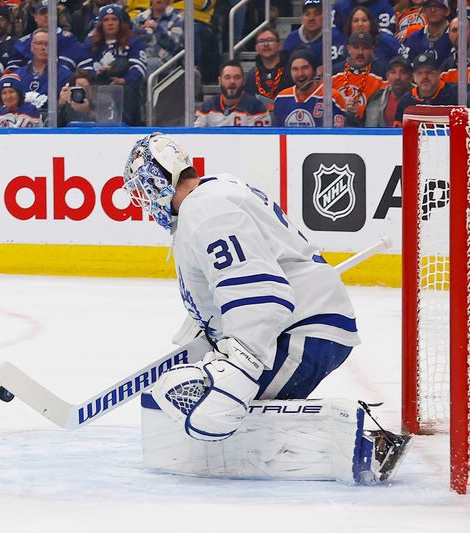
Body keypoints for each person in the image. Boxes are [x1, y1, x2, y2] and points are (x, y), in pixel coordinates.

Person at [121, 133, 408, 482]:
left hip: (302, 328)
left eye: (142, 188)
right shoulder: (212, 195)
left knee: (207, 402)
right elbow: (232, 279)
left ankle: (362, 441)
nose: (144, 200)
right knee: (204, 399)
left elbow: (258, 289)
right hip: (300, 321)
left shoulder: (205, 209)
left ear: (159, 177)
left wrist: (239, 368)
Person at [79, 4, 147, 126]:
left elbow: (138, 67)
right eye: (106, 20)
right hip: (96, 87)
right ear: (100, 24)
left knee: (127, 92)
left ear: (120, 22)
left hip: (124, 89)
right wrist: (96, 75)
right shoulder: (90, 43)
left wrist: (124, 80)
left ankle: (127, 127)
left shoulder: (133, 40)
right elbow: (84, 66)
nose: (110, 23)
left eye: (114, 19)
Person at [7, 0, 86, 73]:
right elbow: (13, 69)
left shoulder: (68, 39)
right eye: (43, 13)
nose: (47, 15)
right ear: (35, 17)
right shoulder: (23, 42)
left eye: (51, 12)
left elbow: (84, 65)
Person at [273, 48, 347, 127]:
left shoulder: (331, 96)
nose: (300, 73)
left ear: (314, 70)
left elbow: (339, 135)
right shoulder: (282, 97)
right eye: (295, 69)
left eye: (305, 68)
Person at [332, 31, 387, 126]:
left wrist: (361, 110)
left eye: (365, 48)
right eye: (356, 47)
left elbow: (387, 106)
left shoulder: (382, 72)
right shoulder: (334, 71)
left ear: (372, 50)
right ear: (348, 49)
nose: (360, 52)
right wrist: (341, 104)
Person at [194, 60, 271, 127]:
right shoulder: (207, 107)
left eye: (237, 77)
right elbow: (196, 137)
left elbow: (259, 141)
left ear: (244, 81)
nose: (232, 82)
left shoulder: (257, 108)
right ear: (220, 81)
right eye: (227, 77)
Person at [13, 28, 73, 113]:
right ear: (32, 47)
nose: (44, 47)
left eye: (47, 44)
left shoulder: (65, 75)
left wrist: (60, 104)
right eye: (39, 43)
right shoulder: (17, 75)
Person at [394, 50, 457, 125]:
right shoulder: (406, 101)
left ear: (438, 74)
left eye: (429, 72)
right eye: (419, 73)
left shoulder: (455, 94)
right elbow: (398, 132)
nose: (424, 76)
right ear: (414, 77)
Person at [283, 0, 346, 68]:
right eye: (307, 14)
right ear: (302, 18)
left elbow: (343, 66)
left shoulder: (337, 37)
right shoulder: (292, 39)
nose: (311, 18)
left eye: (317, 14)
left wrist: (329, 69)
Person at [244, 27, 293, 111]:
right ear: (256, 47)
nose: (266, 44)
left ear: (279, 45)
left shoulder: (292, 70)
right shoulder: (251, 76)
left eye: (270, 40)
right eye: (261, 41)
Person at [133, 0, 184, 76]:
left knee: (149, 64)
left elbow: (175, 44)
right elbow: (133, 43)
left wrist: (157, 28)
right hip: (142, 57)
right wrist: (141, 33)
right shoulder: (140, 18)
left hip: (168, 61)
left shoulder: (178, 18)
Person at [364, 55, 413, 127]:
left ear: (411, 77)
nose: (397, 77)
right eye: (393, 72)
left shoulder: (421, 99)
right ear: (387, 76)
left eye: (403, 72)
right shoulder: (376, 99)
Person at [440, 14, 470, 84]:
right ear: (449, 35)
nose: (459, 34)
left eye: (463, 29)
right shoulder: (445, 68)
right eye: (454, 30)